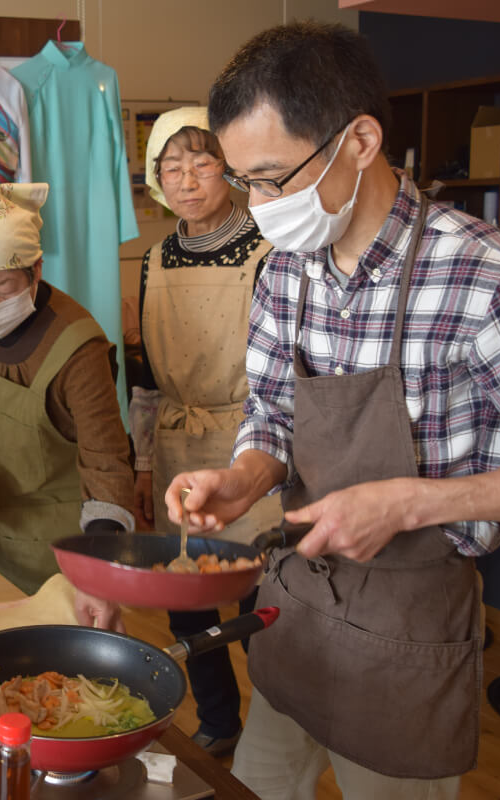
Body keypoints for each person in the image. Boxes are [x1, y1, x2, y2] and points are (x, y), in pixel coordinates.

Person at [166, 22, 500, 798]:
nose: (258, 206)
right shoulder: (283, 273)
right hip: (297, 601)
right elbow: (271, 408)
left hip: (408, 622)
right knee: (256, 785)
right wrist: (242, 477)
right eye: (244, 181)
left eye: (272, 179)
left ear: (359, 141)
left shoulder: (487, 278)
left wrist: (406, 504)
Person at [129, 106, 280, 757]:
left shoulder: (270, 249)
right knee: (186, 599)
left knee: (259, 601)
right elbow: (142, 375)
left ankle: (277, 735)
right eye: (171, 167)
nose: (187, 180)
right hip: (175, 442)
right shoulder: (155, 259)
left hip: (251, 440)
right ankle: (219, 721)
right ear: (155, 179)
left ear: (230, 169)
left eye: (202, 163)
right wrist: (142, 464)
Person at [0, 182, 138, 615]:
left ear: (36, 270)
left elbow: (107, 466)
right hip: (0, 539)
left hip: (71, 553)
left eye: (4, 287)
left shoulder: (77, 348)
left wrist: (96, 573)